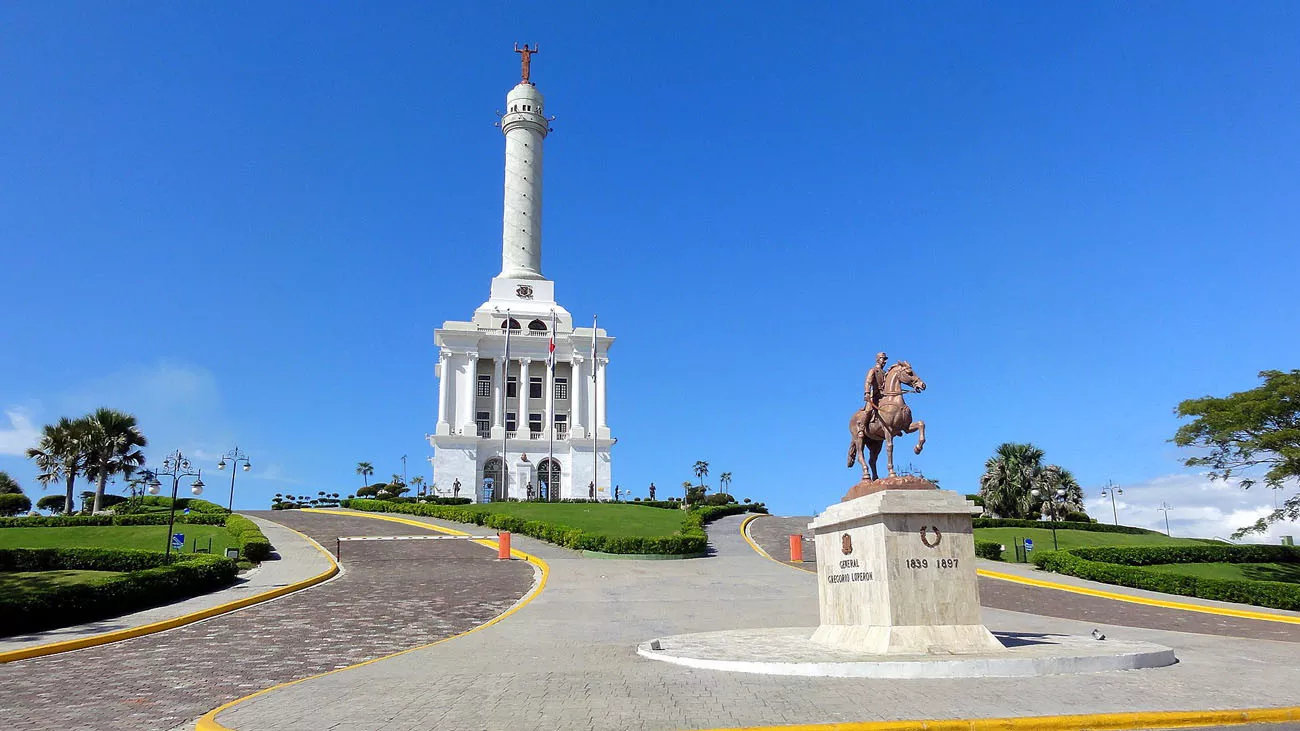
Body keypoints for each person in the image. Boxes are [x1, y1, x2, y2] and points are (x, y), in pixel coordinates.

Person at [863, 351, 889, 427]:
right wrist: (867, 393)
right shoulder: (873, 370)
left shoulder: (885, 372)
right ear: (878, 359)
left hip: (883, 395)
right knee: (868, 410)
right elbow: (868, 382)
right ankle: (862, 427)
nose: (885, 361)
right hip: (874, 395)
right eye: (883, 359)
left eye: (885, 359)